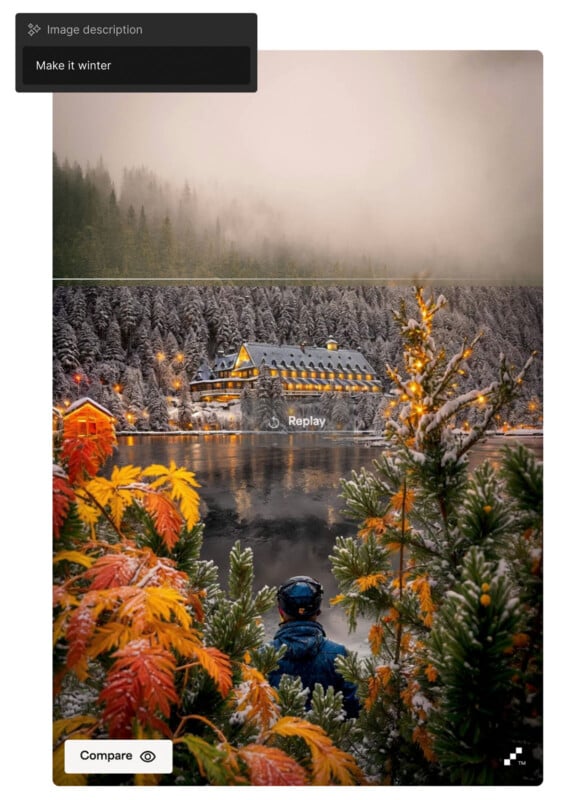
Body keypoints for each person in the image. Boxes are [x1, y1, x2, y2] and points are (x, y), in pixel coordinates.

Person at [267, 575, 360, 718]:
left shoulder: (263, 656)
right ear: (318, 611)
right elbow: (354, 712)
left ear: (281, 611)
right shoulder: (339, 655)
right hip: (325, 739)